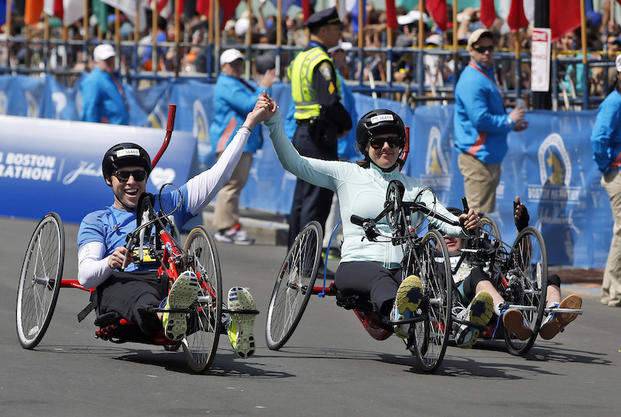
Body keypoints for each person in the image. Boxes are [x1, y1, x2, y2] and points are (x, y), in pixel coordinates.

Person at [259, 92, 481, 338]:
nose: (386, 147)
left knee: (433, 275)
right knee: (381, 279)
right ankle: (401, 315)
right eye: (377, 143)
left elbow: (441, 216)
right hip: (359, 265)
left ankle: (460, 323)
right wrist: (274, 122)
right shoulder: (347, 174)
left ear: (400, 146)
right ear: (366, 147)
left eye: (393, 142)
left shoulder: (416, 188)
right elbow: (296, 163)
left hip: (402, 269)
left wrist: (463, 226)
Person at [76, 100, 273, 358]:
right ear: (108, 179)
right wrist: (110, 262)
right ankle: (170, 312)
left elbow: (219, 175)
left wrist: (248, 124)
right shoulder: (97, 220)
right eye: (123, 176)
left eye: (138, 174)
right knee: (141, 297)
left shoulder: (167, 203)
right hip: (125, 281)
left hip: (170, 281)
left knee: (191, 290)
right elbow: (86, 276)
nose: (132, 182)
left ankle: (227, 322)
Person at [444, 197, 583, 348]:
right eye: (443, 231)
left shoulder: (477, 252)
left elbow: (518, 263)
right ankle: (505, 311)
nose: (448, 236)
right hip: (461, 300)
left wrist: (522, 227)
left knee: (550, 280)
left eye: (454, 230)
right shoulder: (432, 259)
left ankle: (554, 313)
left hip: (496, 294)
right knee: (477, 274)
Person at [286, 7, 353, 249]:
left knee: (302, 198)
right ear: (323, 30)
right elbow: (329, 103)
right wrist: (346, 124)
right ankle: (307, 260)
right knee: (317, 200)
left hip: (303, 133)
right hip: (319, 135)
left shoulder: (300, 57)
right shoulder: (321, 60)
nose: (339, 34)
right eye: (336, 29)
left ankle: (294, 255)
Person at [453, 28, 528, 216]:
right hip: (478, 156)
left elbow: (488, 115)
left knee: (479, 215)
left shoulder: (484, 73)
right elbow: (481, 120)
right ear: (471, 50)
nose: (487, 52)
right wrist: (509, 121)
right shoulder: (472, 79)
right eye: (481, 49)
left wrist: (510, 125)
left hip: (485, 155)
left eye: (490, 48)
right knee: (475, 217)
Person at [210, 48, 277, 245]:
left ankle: (229, 225)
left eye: (240, 63)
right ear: (223, 66)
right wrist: (263, 87)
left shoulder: (233, 82)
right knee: (231, 185)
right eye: (233, 64)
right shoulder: (227, 84)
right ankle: (226, 227)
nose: (237, 67)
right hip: (232, 140)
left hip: (239, 140)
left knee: (234, 184)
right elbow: (250, 104)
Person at [590, 54, 621, 308]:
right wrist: (608, 166)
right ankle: (614, 291)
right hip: (617, 173)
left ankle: (611, 290)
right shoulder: (614, 102)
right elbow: (598, 139)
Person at [80, 43, 129, 125]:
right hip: (106, 132)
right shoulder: (93, 81)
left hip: (116, 130)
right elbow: (89, 110)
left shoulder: (112, 77)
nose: (110, 62)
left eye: (111, 59)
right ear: (96, 62)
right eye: (106, 60)